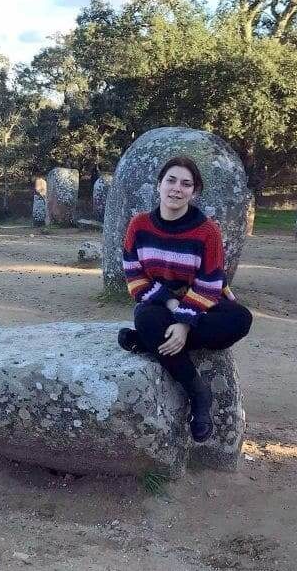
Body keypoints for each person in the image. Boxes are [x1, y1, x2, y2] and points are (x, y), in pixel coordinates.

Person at [117, 156, 252, 442]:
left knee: (240, 319)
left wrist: (184, 324)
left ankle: (146, 341)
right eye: (171, 180)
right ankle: (197, 393)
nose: (177, 189)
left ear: (195, 192)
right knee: (146, 318)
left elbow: (211, 282)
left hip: (204, 304)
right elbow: (135, 277)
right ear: (159, 185)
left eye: (186, 184)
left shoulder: (207, 230)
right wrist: (171, 305)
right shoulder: (139, 226)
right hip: (159, 304)